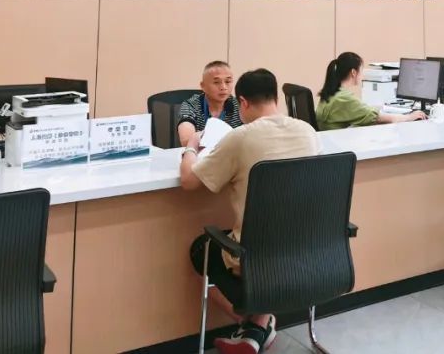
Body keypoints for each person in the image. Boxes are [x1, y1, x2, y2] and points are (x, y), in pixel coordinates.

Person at [179, 68, 318, 354]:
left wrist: (190, 148)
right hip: (306, 249)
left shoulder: (241, 137)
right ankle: (258, 326)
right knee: (272, 233)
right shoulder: (308, 131)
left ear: (242, 102)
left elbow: (190, 181)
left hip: (254, 258)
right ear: (275, 97)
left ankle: (252, 326)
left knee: (201, 249)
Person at [314, 53, 426, 130]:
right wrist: (410, 117)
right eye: (361, 70)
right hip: (338, 147)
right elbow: (382, 118)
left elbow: (364, 112)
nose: (362, 75)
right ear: (353, 72)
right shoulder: (344, 99)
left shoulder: (333, 93)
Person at [178, 61, 242, 144]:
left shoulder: (239, 105)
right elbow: (187, 141)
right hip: (200, 152)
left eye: (228, 82)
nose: (223, 87)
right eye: (216, 82)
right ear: (203, 86)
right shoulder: (191, 105)